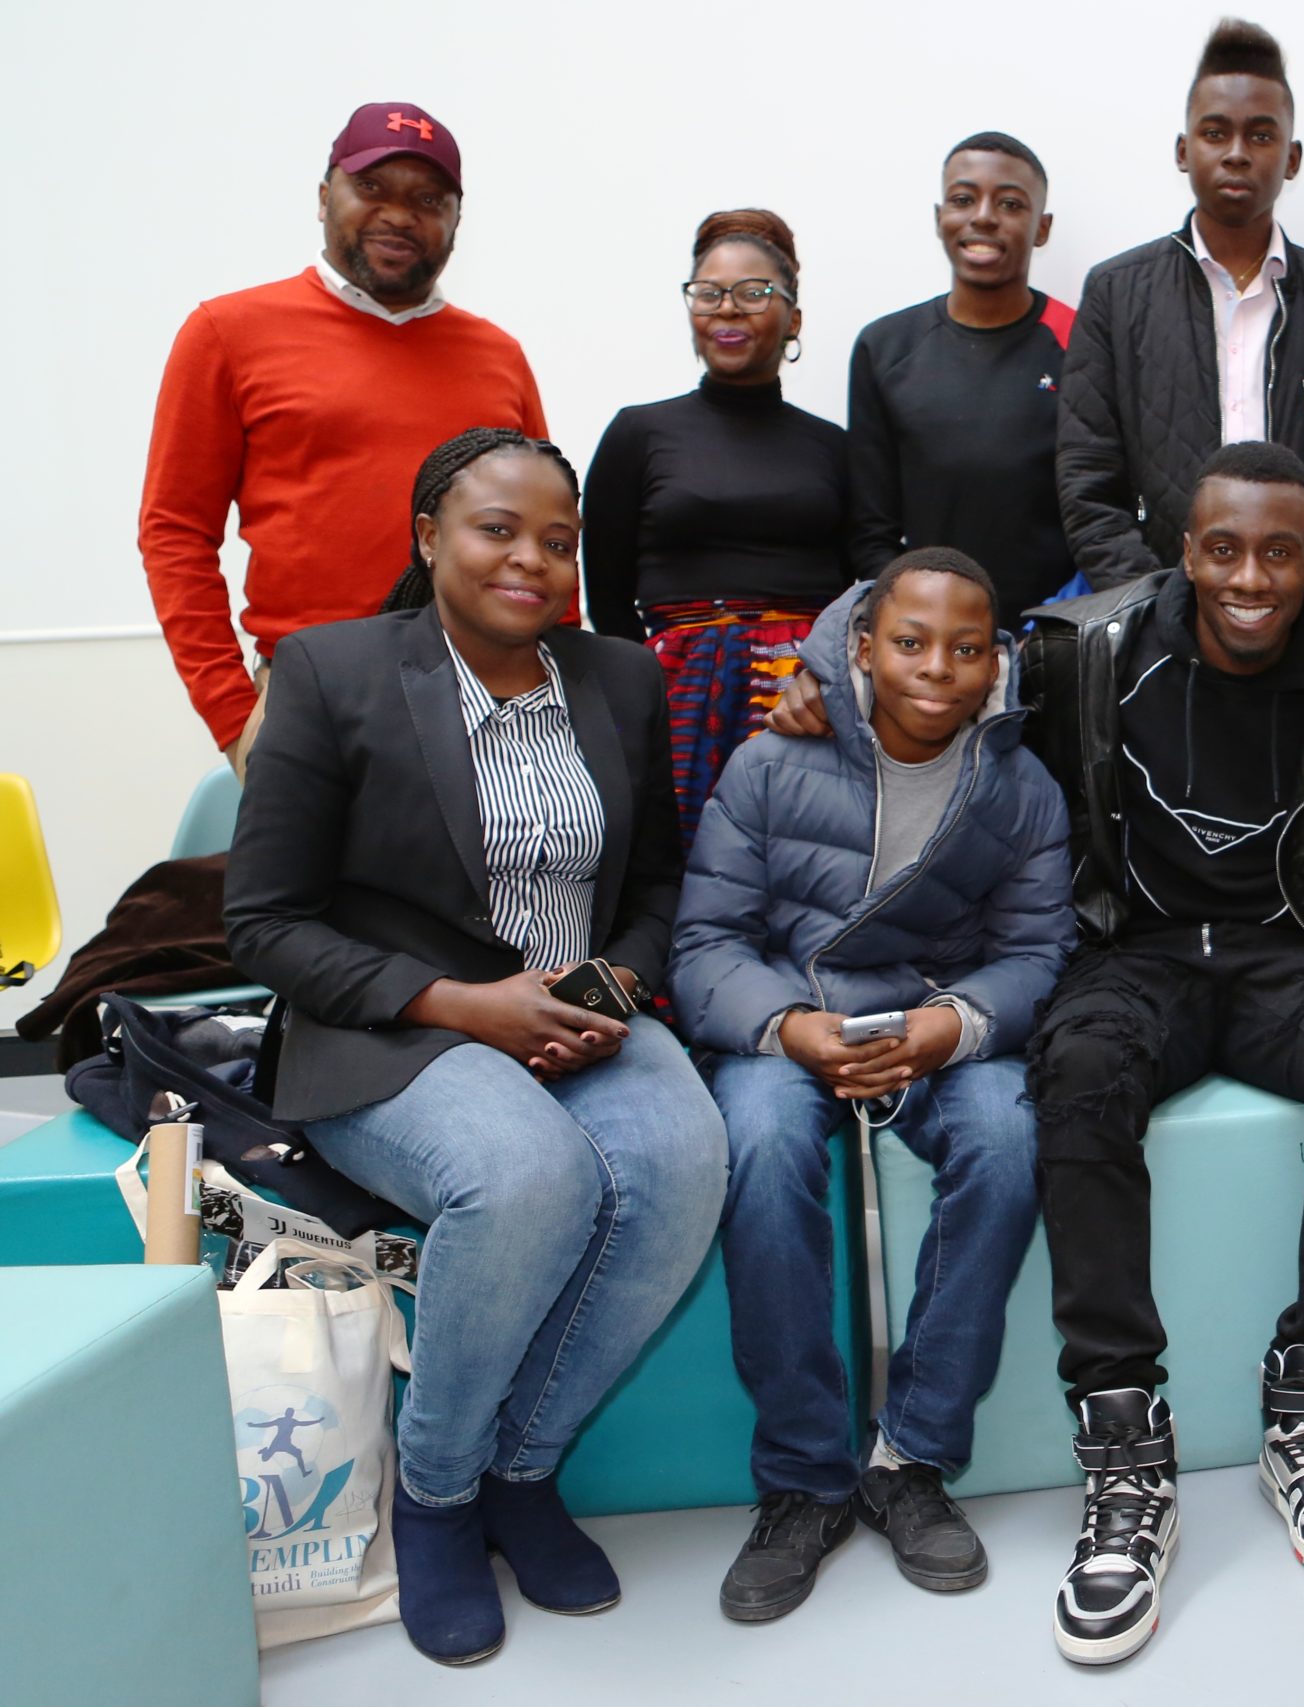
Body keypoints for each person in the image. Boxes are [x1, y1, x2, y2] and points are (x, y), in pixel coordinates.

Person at [778, 444, 1304, 1660]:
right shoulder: (1088, 646)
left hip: (1295, 950)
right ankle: (1125, 1442)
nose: (1249, 576)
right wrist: (821, 677)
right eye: (1222, 548)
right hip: (1133, 947)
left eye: (1278, 552)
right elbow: (926, 629)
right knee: (1073, 1074)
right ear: (1184, 552)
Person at [224, 429, 728, 1667]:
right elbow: (263, 922)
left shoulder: (619, 676)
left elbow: (659, 880)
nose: (533, 560)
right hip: (389, 1028)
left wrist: (607, 986)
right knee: (526, 1175)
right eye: (497, 529)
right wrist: (464, 1004)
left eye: (558, 541)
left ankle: (521, 1468)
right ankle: (437, 1491)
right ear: (428, 536)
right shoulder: (331, 672)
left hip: (580, 1014)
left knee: (684, 1160)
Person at [670, 549, 1073, 1621]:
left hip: (937, 1026)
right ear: (861, 646)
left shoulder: (1022, 788)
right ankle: (803, 1477)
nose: (937, 668)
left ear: (998, 661)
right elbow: (706, 939)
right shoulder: (770, 762)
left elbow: (1037, 953)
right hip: (794, 1020)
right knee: (756, 1146)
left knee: (1007, 1137)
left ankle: (912, 1461)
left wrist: (951, 1028)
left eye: (966, 647)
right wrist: (788, 1028)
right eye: (909, 641)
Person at [141, 102, 548, 775]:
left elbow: (543, 532)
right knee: (308, 886)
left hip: (487, 698)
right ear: (325, 196)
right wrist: (233, 715)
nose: (399, 214)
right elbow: (174, 531)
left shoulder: (498, 355)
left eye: (428, 198)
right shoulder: (227, 332)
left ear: (456, 218)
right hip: (309, 700)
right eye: (372, 188)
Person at [1055, 17, 1304, 608]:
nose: (1236, 154)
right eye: (1214, 133)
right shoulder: (1114, 295)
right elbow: (1088, 487)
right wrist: (1156, 613)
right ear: (1183, 151)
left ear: (1292, 158)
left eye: (1260, 135)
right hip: (1159, 633)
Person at [583, 209, 852, 849]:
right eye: (709, 294)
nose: (728, 310)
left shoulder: (836, 448)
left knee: (801, 866)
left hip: (804, 693)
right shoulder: (638, 433)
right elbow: (608, 594)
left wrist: (823, 676)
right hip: (678, 694)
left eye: (755, 293)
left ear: (794, 319)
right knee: (673, 869)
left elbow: (860, 581)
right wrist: (643, 697)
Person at [847, 134, 1081, 626]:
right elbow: (872, 528)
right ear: (939, 218)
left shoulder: (1082, 344)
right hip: (925, 643)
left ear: (1042, 228)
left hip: (1056, 638)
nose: (983, 216)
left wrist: (1060, 625)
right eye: (963, 199)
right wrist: (907, 626)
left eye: (1010, 203)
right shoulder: (884, 348)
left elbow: (1104, 507)